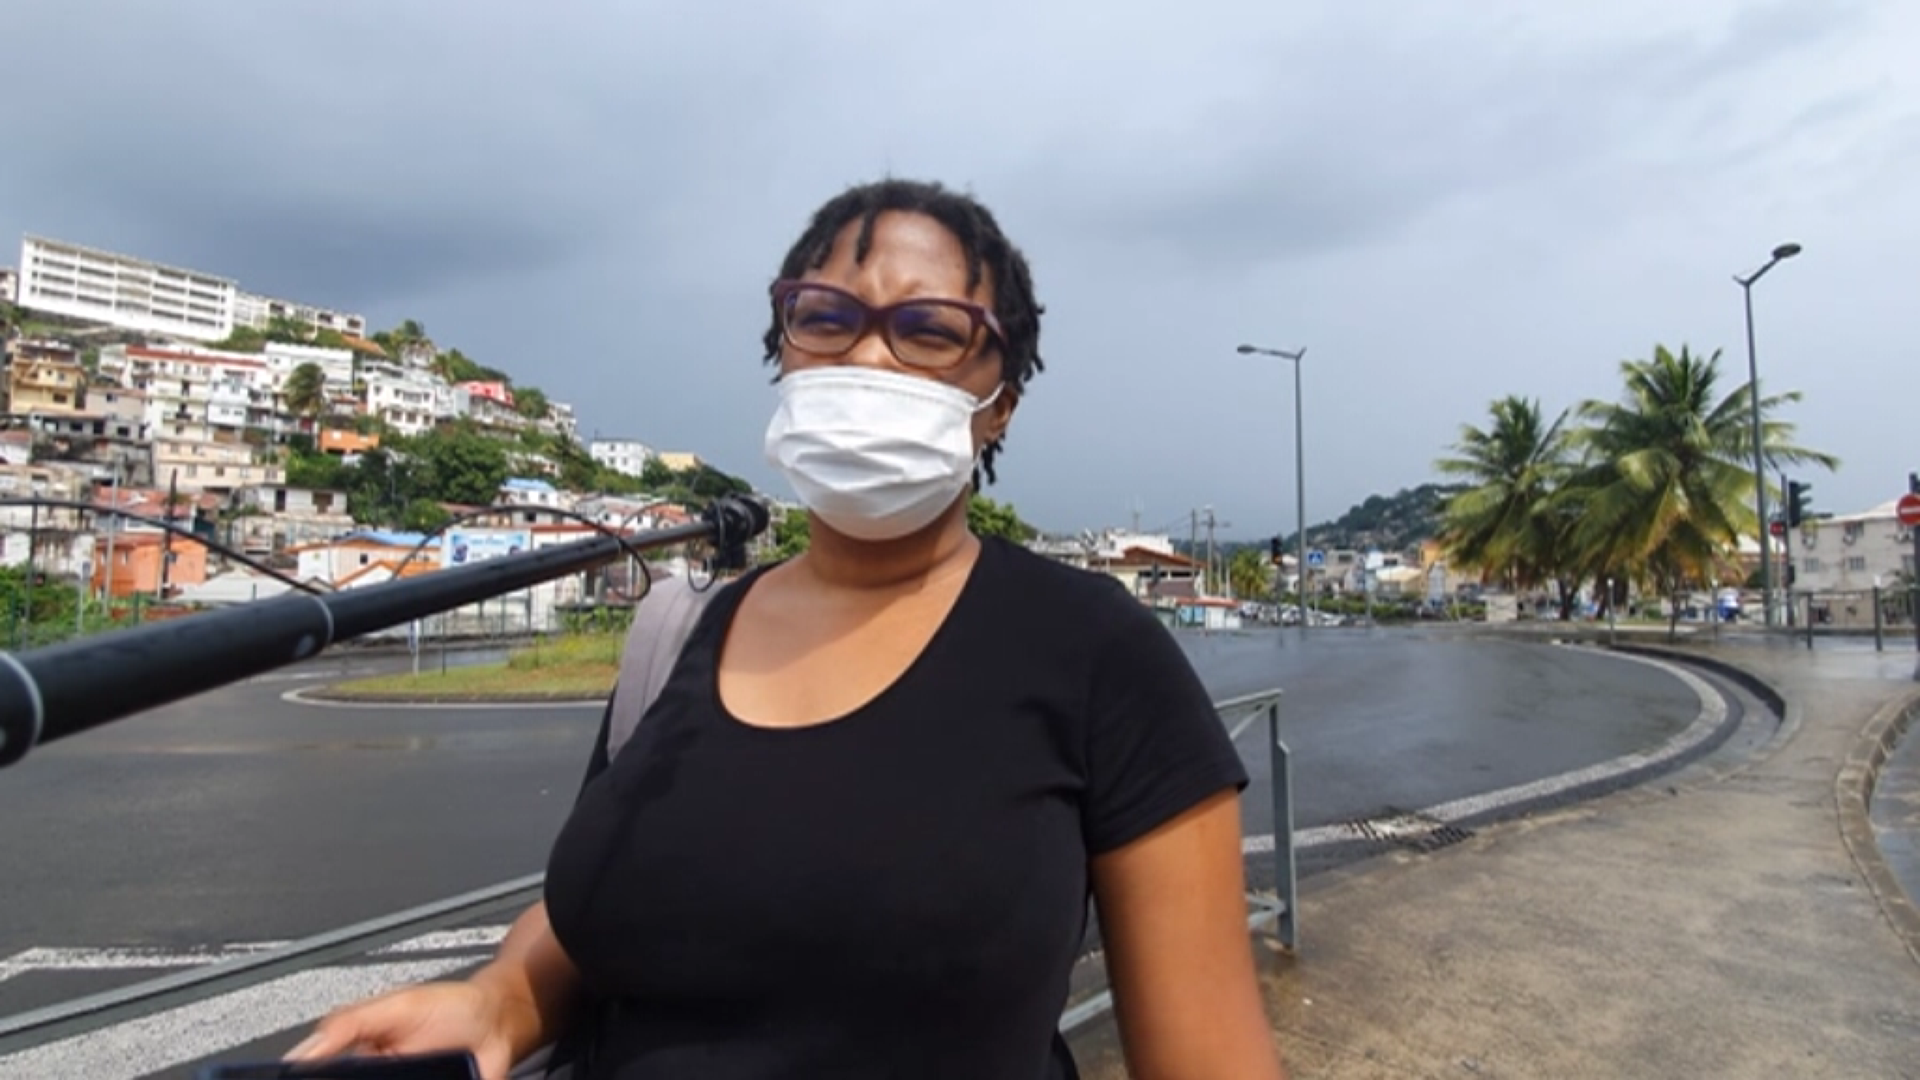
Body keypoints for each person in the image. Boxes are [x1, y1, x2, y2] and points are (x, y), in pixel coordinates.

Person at [287, 179, 1286, 1079]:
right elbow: (620, 898)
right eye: (825, 316)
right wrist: (498, 1001)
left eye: (929, 329)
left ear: (999, 406)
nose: (865, 354)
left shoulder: (1094, 652)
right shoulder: (682, 628)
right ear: (783, 349)